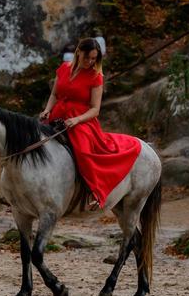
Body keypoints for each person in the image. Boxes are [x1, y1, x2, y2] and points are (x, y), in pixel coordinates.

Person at [39, 36, 141, 207]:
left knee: (84, 152)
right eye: (87, 57)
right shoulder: (63, 68)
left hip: (81, 120)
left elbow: (95, 109)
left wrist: (76, 120)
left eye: (94, 58)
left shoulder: (96, 76)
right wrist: (47, 110)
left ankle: (96, 192)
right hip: (57, 115)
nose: (90, 61)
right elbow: (55, 95)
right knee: (35, 141)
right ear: (78, 52)